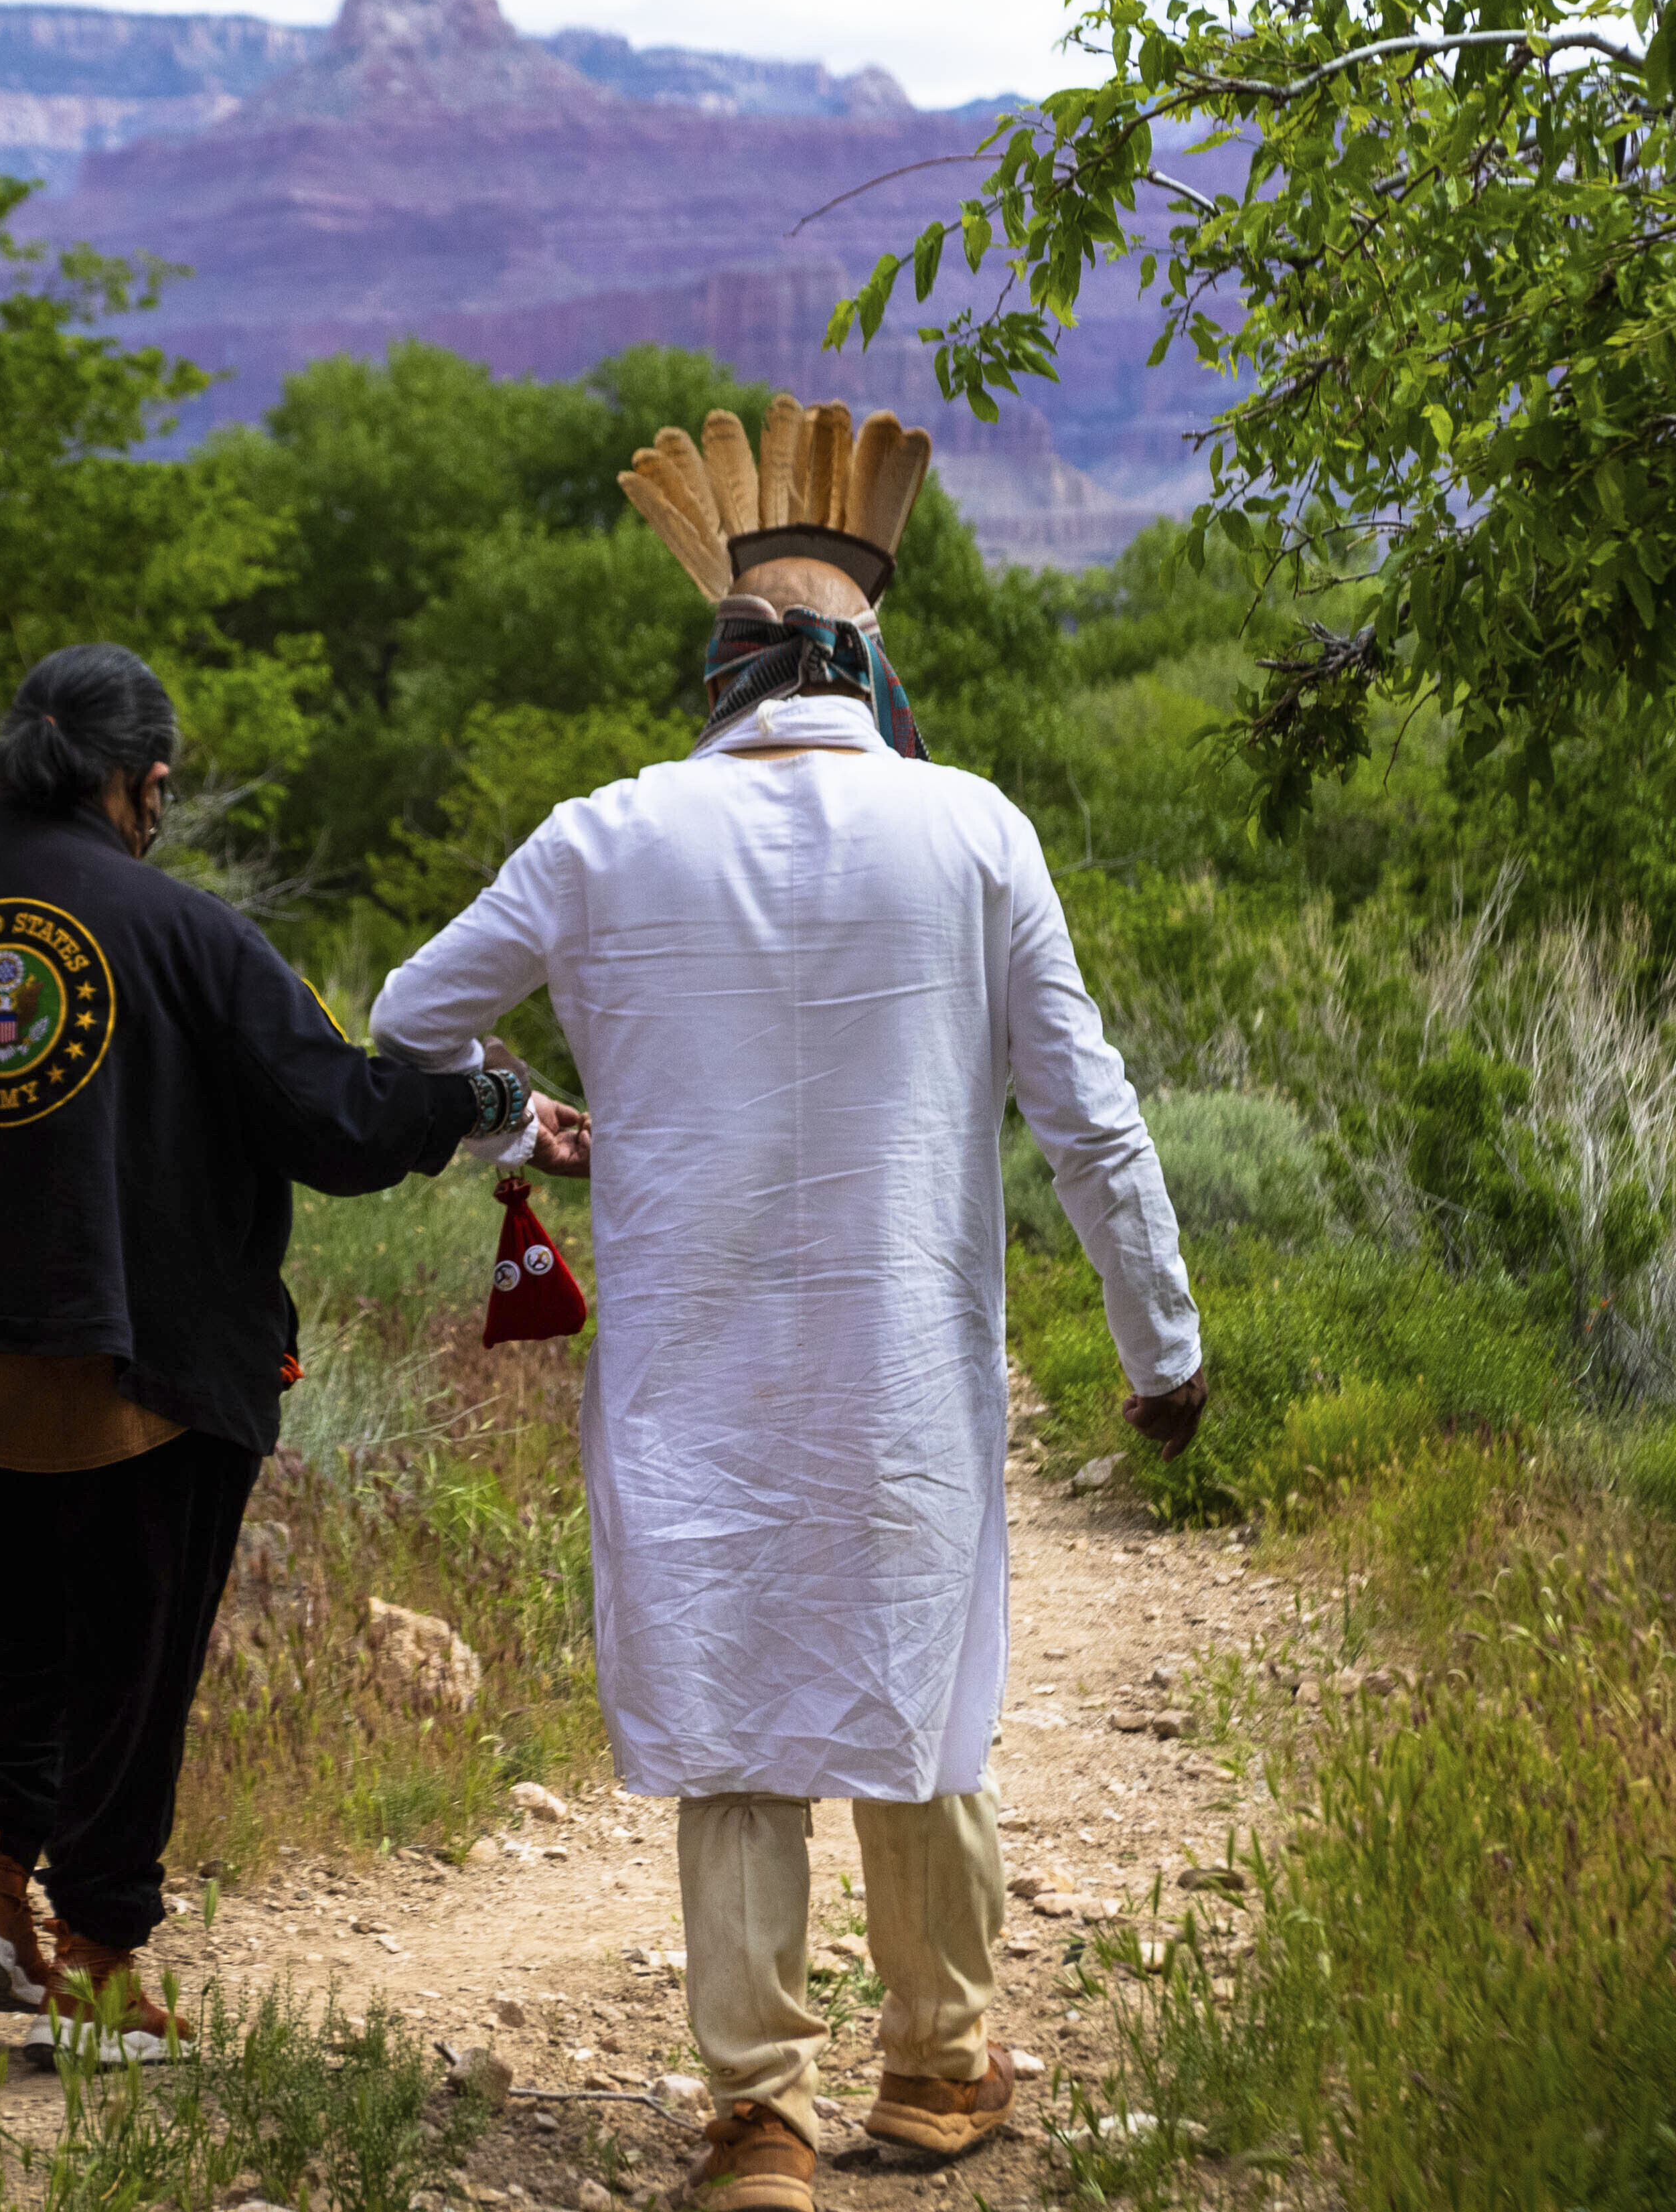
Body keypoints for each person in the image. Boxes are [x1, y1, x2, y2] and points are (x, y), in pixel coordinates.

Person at [370, 397, 1208, 2211]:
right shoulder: (976, 830)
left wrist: (521, 1121)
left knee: (737, 1707)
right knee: (922, 1694)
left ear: (725, 674)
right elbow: (1087, 1108)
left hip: (695, 1370)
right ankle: (940, 2070)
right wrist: (1165, 1349)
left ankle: (758, 2117)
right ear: (866, 670)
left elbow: (405, 1020)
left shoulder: (602, 839)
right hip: (904, 1369)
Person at [0, 642, 553, 2066]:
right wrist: (486, 1094)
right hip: (141, 1381)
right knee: (131, 1661)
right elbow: (339, 1125)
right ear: (145, 784)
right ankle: (103, 1960)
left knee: (4, 1635)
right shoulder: (191, 937)